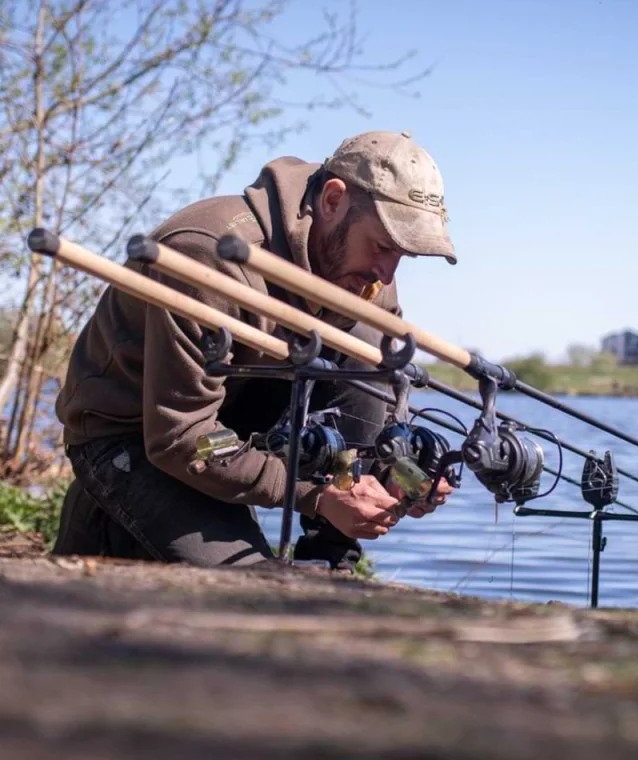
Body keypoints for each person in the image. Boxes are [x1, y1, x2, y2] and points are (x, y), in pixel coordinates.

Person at [51, 130, 458, 570]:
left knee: (365, 336)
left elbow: (370, 400)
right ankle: (105, 507)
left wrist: (397, 473)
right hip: (137, 435)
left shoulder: (366, 276)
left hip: (238, 420)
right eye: (382, 245)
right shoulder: (209, 256)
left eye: (402, 254)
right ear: (333, 200)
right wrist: (316, 496)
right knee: (253, 586)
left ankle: (329, 561)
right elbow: (184, 437)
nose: (385, 270)